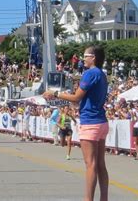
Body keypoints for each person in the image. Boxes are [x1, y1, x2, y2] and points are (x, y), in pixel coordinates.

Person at [44, 45, 109, 201]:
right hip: (101, 121)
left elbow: (76, 97)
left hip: (90, 122)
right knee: (100, 164)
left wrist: (55, 93)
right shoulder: (102, 74)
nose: (83, 58)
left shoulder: (90, 73)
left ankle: (88, 199)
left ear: (93, 57)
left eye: (85, 55)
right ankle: (104, 198)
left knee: (91, 165)